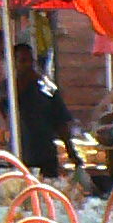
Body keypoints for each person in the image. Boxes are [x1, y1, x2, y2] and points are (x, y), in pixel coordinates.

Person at [10, 44, 77, 179]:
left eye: (31, 61)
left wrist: (71, 152)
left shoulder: (47, 88)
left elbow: (61, 122)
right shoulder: (8, 89)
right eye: (23, 61)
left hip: (45, 155)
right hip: (17, 154)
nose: (28, 65)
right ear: (13, 63)